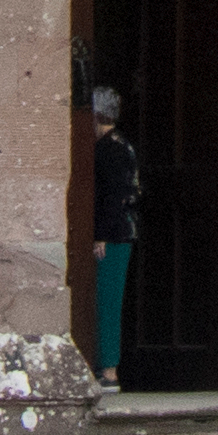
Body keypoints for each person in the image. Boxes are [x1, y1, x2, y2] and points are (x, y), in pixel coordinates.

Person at [84, 84, 143, 394]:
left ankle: (109, 371)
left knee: (107, 301)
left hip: (114, 235)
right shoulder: (120, 145)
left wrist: (102, 235)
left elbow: (115, 196)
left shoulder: (110, 148)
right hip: (119, 232)